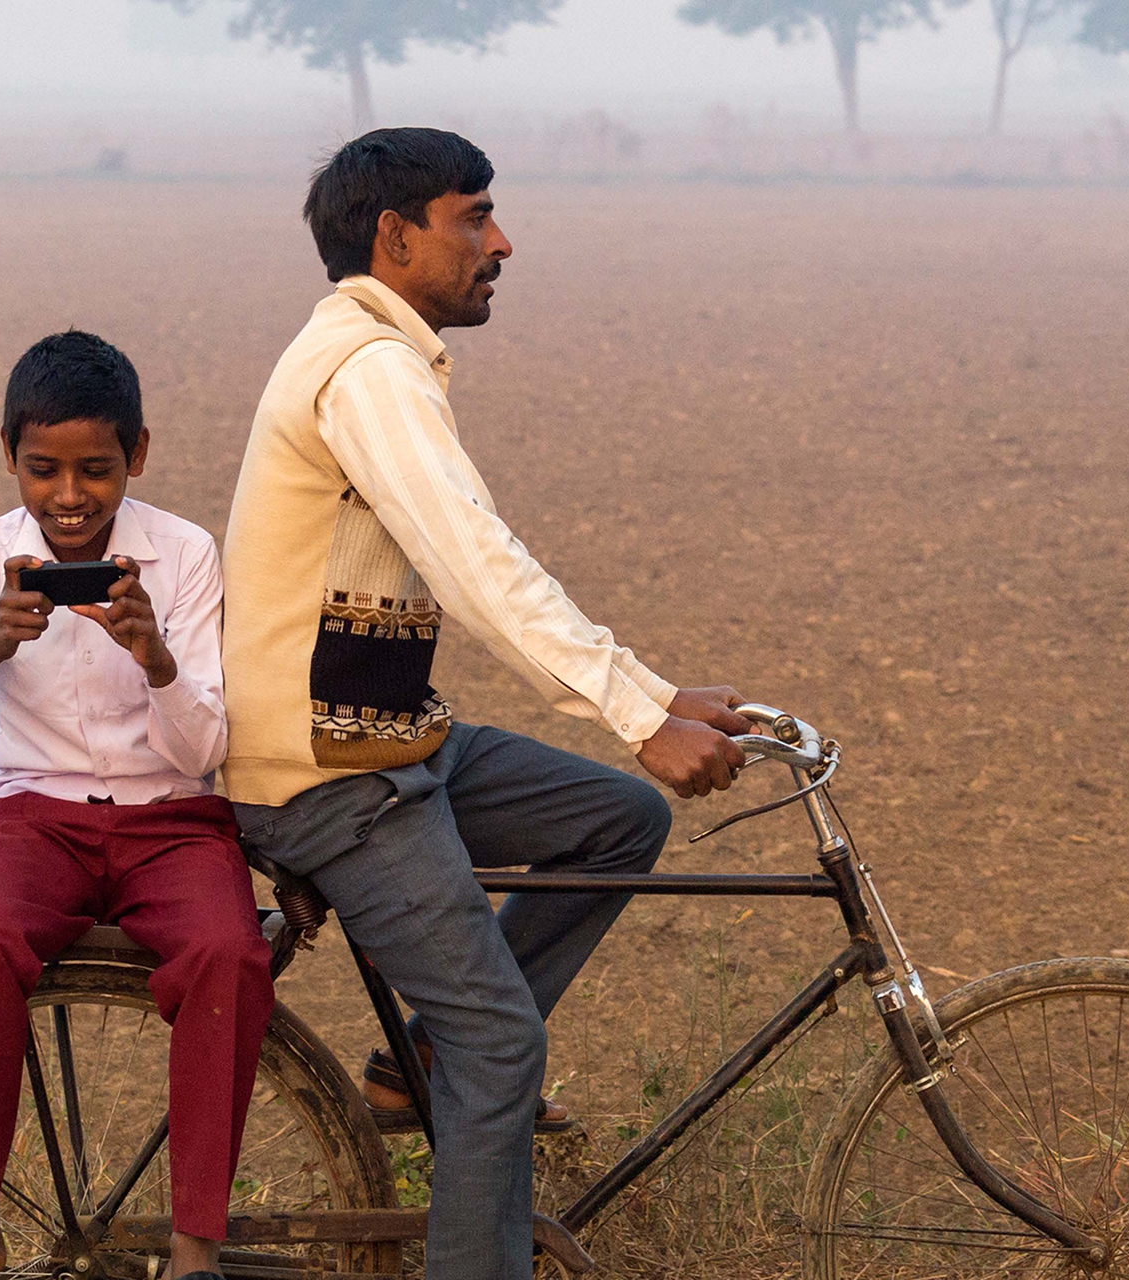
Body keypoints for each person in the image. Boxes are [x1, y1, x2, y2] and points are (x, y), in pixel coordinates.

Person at [221, 128, 752, 1278]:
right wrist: (639, 714)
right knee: (503, 1044)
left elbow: (477, 565)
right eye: (475, 217)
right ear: (394, 236)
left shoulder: (380, 356)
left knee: (617, 822)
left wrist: (656, 692)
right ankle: (460, 1096)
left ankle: (413, 1058)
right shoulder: (367, 371)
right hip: (327, 775)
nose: (501, 241)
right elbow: (476, 559)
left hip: (387, 739)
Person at [0, 330, 273, 1280]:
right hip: (30, 817)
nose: (69, 496)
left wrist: (158, 660)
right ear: (8, 456)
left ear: (137, 455)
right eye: (44, 470)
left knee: (230, 955)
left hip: (170, 821)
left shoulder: (183, 555)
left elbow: (205, 750)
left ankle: (196, 1249)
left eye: (96, 470)